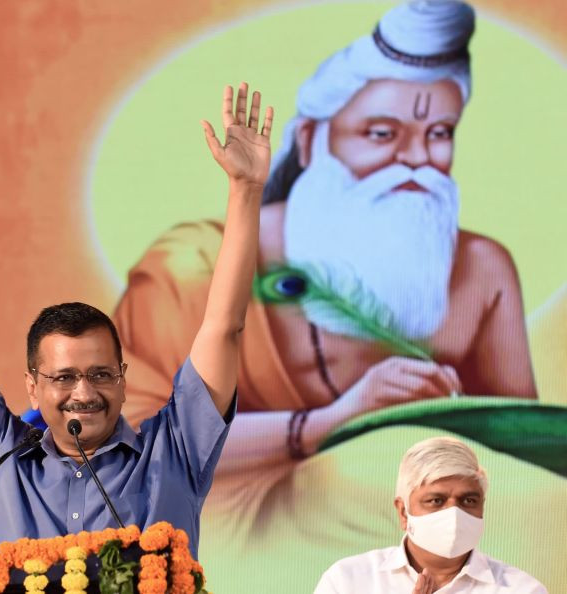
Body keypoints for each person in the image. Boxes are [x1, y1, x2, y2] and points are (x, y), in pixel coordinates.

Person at [113, 0, 536, 464]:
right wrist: (327, 423)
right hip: (230, 525)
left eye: (439, 133)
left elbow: (526, 448)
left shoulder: (482, 268)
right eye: (381, 133)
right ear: (313, 140)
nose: (416, 157)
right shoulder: (192, 266)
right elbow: (136, 442)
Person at [0, 83, 273, 555]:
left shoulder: (174, 451)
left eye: (100, 375)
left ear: (124, 379)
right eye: (64, 377)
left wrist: (246, 190)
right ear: (32, 386)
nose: (84, 394)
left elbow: (224, 325)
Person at [313, 436, 548, 593]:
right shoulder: (348, 582)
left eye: (468, 500)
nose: (454, 513)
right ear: (403, 512)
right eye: (436, 501)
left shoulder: (522, 589)